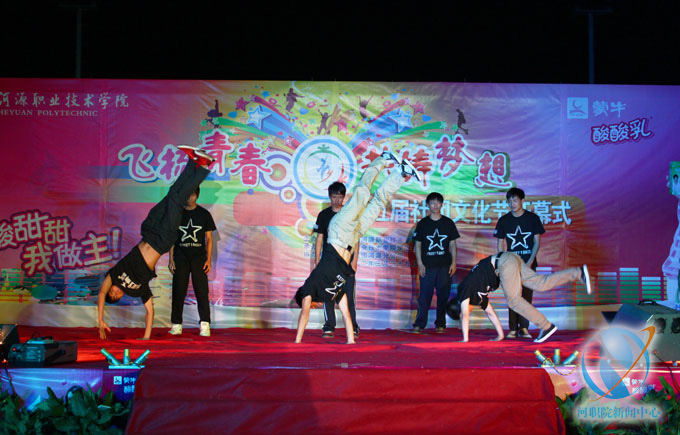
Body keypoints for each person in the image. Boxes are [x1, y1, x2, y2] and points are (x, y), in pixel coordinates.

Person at [294, 152, 421, 343]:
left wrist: (297, 341)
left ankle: (383, 159)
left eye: (309, 305)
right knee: (378, 203)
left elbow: (304, 315)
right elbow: (345, 312)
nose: (311, 307)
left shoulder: (309, 288)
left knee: (362, 193)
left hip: (339, 231)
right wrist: (350, 341)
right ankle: (401, 173)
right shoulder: (332, 291)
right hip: (352, 237)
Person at [97, 145, 214, 340]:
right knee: (176, 200)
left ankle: (194, 162)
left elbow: (101, 294)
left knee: (172, 195)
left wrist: (100, 319)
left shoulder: (114, 274)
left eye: (112, 293)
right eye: (116, 297)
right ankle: (202, 166)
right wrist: (146, 338)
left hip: (149, 231)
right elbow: (149, 312)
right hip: (162, 240)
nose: (115, 293)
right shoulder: (137, 289)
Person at [450, 251, 592, 343]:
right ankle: (578, 273)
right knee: (540, 283)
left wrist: (465, 340)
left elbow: (465, 315)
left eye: (461, 313)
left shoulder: (464, 290)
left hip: (504, 263)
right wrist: (500, 336)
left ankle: (546, 326)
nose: (467, 312)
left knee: (514, 301)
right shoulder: (478, 297)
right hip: (509, 259)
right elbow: (491, 314)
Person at [494, 187, 545, 339]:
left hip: (528, 263)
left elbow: (537, 242)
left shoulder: (532, 219)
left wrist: (530, 261)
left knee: (526, 296)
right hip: (510, 264)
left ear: (522, 201)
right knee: (512, 295)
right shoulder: (504, 220)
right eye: (509, 201)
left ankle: (524, 328)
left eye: (515, 201)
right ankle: (512, 329)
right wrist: (501, 261)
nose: (512, 204)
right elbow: (500, 243)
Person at [167, 186, 217, 337]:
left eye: (193, 195)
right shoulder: (177, 214)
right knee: (178, 291)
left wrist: (208, 259)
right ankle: (176, 325)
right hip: (180, 256)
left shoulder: (204, 214)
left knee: (201, 291)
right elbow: (171, 237)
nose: (190, 198)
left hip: (199, 258)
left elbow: (209, 239)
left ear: (197, 196)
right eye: (187, 195)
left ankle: (205, 324)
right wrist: (171, 258)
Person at [314, 182, 360, 338]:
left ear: (344, 197)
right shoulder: (324, 215)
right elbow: (319, 239)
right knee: (328, 295)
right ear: (330, 197)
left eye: (340, 197)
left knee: (349, 296)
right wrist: (317, 261)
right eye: (334, 197)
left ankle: (353, 327)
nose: (337, 200)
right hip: (329, 262)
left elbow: (356, 239)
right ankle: (329, 326)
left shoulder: (350, 214)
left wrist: (354, 261)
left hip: (346, 262)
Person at [412, 192, 460, 333]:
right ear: (428, 205)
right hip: (427, 266)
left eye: (438, 202)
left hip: (444, 266)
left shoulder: (448, 223)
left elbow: (453, 245)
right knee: (424, 297)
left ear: (441, 204)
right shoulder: (423, 224)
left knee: (443, 296)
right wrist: (420, 264)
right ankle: (420, 324)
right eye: (432, 203)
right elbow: (417, 245)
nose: (435, 205)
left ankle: (440, 324)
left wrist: (454, 263)